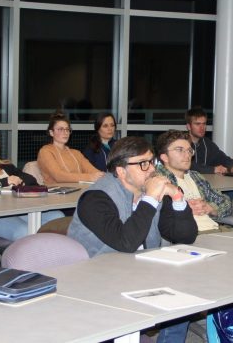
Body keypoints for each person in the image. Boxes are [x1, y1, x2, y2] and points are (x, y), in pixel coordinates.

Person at [67, 136, 197, 343]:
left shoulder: (150, 194)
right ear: (121, 171)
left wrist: (178, 199)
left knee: (186, 291)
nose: (152, 170)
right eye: (143, 164)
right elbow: (125, 242)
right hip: (96, 280)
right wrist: (151, 199)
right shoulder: (95, 199)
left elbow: (185, 236)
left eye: (152, 162)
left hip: (138, 273)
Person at [154, 129, 232, 234]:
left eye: (189, 150)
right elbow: (157, 214)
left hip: (215, 230)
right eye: (179, 150)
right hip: (189, 235)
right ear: (164, 157)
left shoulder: (195, 176)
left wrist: (210, 208)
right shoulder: (158, 180)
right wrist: (183, 209)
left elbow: (225, 201)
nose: (187, 155)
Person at [37, 113, 104, 184]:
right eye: (60, 129)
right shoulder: (45, 151)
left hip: (80, 189)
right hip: (56, 192)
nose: (65, 132)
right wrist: (90, 177)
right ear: (51, 132)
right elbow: (59, 176)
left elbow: (92, 171)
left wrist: (102, 176)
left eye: (67, 129)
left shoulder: (76, 153)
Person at [185, 107, 233, 174]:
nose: (202, 128)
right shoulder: (181, 143)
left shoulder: (207, 143)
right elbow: (187, 165)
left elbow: (222, 158)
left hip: (204, 181)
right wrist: (213, 169)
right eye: (197, 124)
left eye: (204, 124)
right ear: (188, 126)